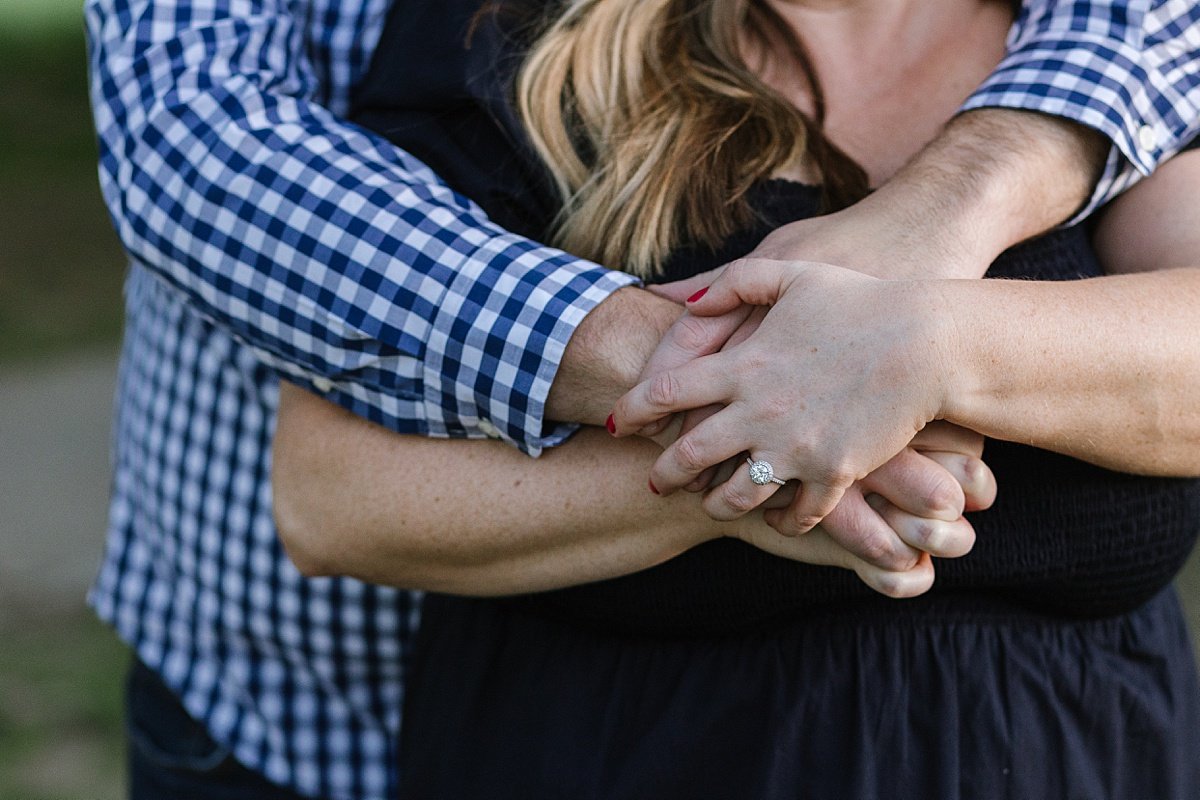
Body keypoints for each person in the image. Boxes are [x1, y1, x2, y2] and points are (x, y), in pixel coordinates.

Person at [83, 0, 1200, 797]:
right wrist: (756, 407)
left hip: (1080, 746)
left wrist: (923, 347)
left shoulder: (1102, 46)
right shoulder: (553, 52)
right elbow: (194, 130)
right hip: (331, 700)